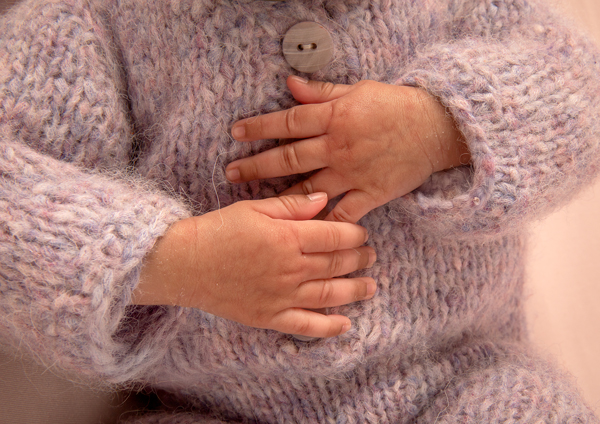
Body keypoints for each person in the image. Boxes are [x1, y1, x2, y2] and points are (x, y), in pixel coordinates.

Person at [0, 0, 599, 422]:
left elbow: (579, 83)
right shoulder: (94, 22)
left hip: (459, 377)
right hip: (216, 404)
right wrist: (175, 259)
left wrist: (441, 126)